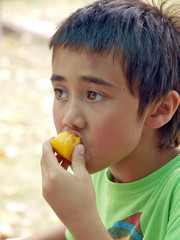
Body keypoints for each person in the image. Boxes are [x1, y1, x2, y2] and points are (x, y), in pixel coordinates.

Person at [20, 0, 180, 239]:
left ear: (159, 109)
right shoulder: (100, 172)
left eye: (93, 95)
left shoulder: (173, 194)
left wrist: (82, 219)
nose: (69, 118)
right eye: (60, 92)